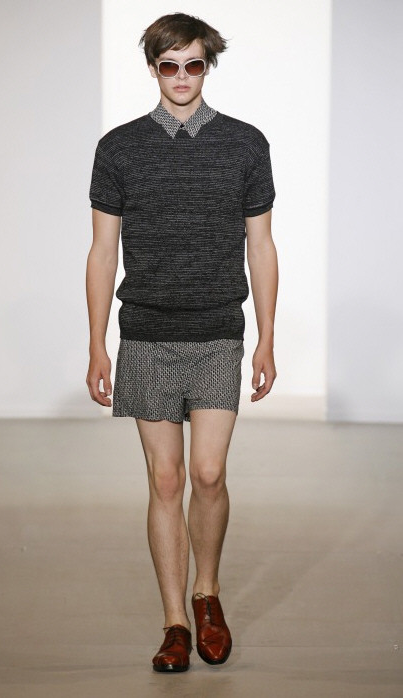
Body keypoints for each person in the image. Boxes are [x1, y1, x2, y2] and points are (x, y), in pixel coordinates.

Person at [86, 12, 278, 673]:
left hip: (218, 328)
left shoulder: (245, 144)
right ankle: (174, 621)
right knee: (165, 480)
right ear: (153, 69)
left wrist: (268, 338)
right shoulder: (119, 148)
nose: (181, 76)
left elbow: (261, 244)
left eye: (193, 64)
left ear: (207, 66)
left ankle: (207, 594)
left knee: (208, 473)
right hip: (145, 331)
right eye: (169, 65)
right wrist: (96, 344)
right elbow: (102, 249)